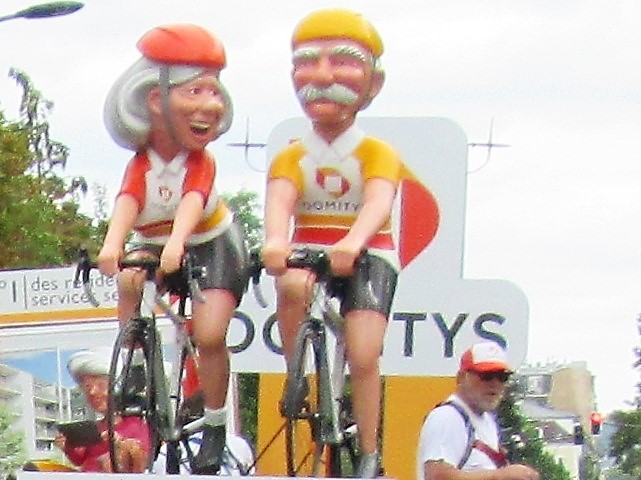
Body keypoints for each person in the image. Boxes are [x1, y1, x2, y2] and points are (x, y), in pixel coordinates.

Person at [97, 23, 249, 475]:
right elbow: (128, 201)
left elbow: (192, 201)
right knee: (128, 278)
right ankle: (138, 365)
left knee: (208, 335)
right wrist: (112, 245)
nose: (209, 106)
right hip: (156, 240)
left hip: (209, 241)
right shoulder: (142, 161)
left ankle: (216, 423)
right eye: (194, 92)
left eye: (214, 93)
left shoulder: (200, 161)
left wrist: (178, 244)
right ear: (154, 99)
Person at [262, 8, 401, 477]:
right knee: (291, 285)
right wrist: (275, 240)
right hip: (311, 252)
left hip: (368, 256)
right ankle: (296, 373)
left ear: (372, 83)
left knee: (364, 354)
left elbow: (379, 202)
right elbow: (280, 200)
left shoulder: (374, 152)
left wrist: (355, 242)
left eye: (340, 62)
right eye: (308, 63)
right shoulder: (292, 156)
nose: (321, 77)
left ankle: (368, 450)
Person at [416, 342, 540, 480]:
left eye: (502, 377)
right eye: (486, 376)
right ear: (461, 377)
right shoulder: (447, 417)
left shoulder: (488, 420)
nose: (495, 384)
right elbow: (436, 476)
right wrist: (500, 476)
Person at [54, 349, 150, 473]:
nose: (92, 392)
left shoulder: (136, 424)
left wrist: (120, 444)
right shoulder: (95, 427)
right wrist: (67, 447)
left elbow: (142, 459)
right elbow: (80, 460)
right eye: (87, 387)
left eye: (101, 385)